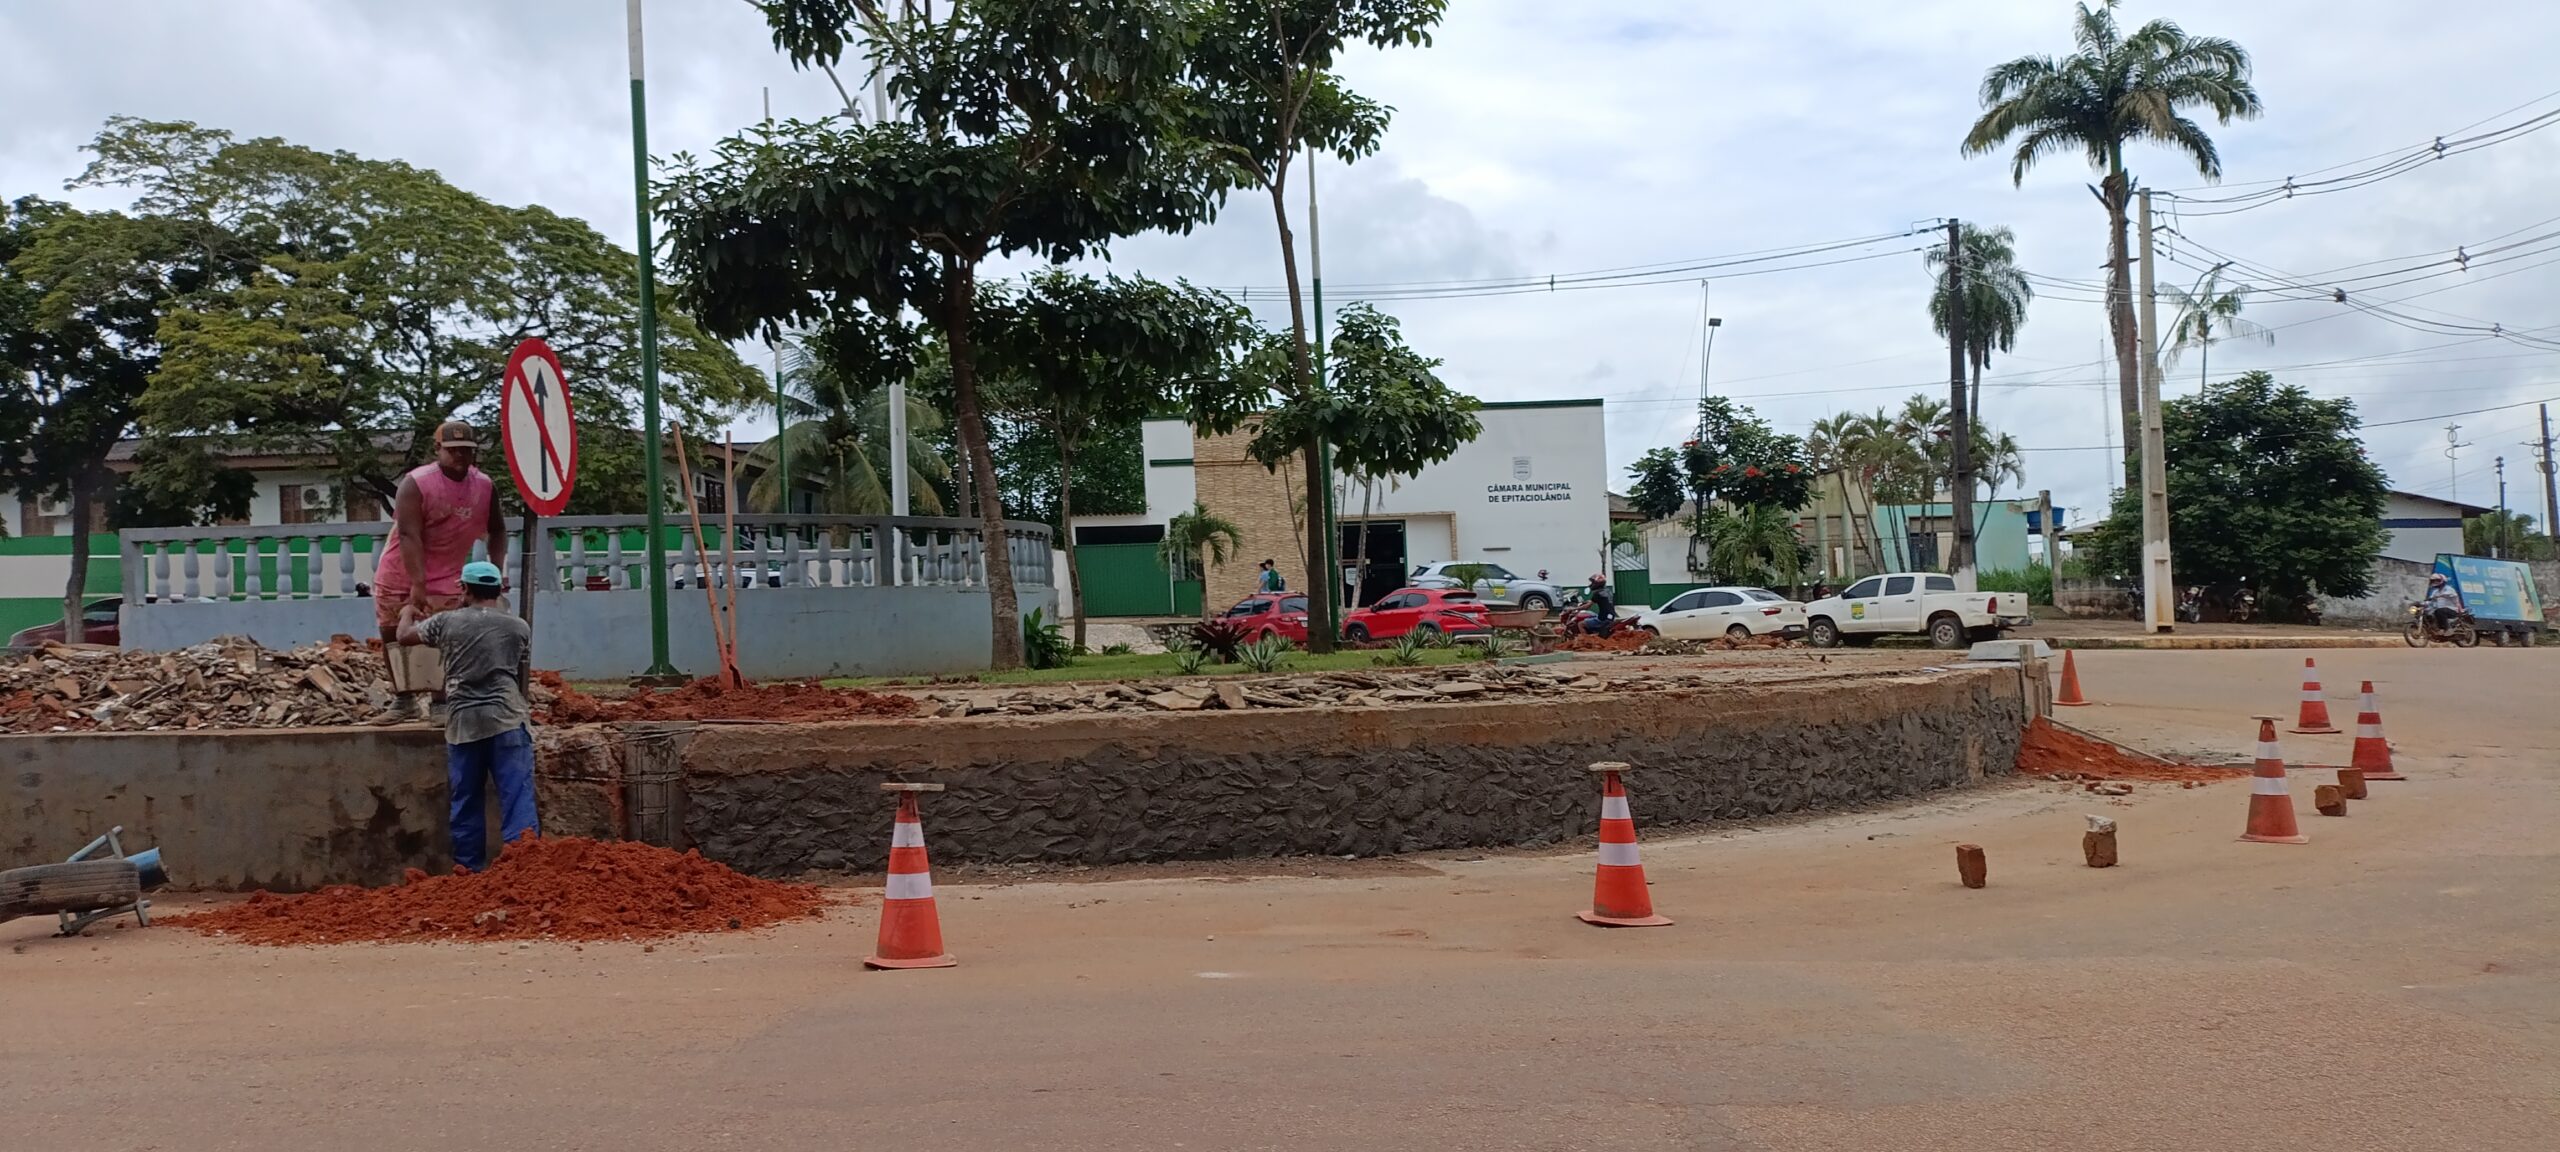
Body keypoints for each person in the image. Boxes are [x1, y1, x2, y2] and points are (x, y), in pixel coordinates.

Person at [398, 560, 537, 872]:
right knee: (517, 799)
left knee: (466, 801)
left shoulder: (446, 623)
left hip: (464, 724)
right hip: (508, 720)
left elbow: (404, 636)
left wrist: (407, 611)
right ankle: (525, 872)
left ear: (464, 589)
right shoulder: (518, 626)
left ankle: (469, 871)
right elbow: (518, 665)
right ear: (498, 590)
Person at [375, 419, 507, 721]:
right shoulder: (416, 483)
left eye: (466, 450)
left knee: (444, 636)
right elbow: (408, 534)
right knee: (393, 635)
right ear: (438, 449)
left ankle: (441, 700)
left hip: (447, 575)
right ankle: (403, 698)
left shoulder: (484, 486)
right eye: (452, 449)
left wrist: (495, 571)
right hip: (401, 571)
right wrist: (418, 584)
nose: (460, 455)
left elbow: (498, 529)